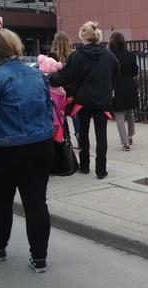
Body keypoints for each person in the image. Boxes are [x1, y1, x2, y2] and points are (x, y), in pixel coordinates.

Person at [0, 29, 55, 273]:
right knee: (36, 203)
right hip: (41, 145)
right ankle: (39, 258)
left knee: (0, 201)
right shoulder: (38, 76)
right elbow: (47, 109)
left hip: (6, 149)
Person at [49, 21, 119, 179]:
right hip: (102, 100)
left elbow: (64, 77)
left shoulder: (77, 55)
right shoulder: (109, 55)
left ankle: (85, 165)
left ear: (83, 36)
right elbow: (116, 74)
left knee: (84, 133)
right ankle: (101, 170)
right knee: (102, 135)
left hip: (82, 101)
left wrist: (49, 79)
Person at [108, 32, 139, 152]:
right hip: (129, 85)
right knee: (130, 112)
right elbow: (135, 71)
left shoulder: (110, 56)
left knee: (119, 115)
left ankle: (125, 142)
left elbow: (108, 73)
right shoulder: (130, 55)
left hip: (116, 86)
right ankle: (130, 136)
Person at [49, 31, 80, 145]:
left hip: (59, 90)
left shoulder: (52, 55)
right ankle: (78, 133)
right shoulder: (74, 54)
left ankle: (66, 138)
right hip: (73, 88)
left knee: (62, 115)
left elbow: (49, 73)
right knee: (75, 113)